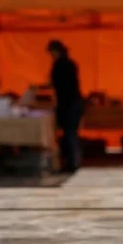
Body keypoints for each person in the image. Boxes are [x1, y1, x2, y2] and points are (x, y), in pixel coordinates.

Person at [46, 40, 83, 173]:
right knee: (71, 133)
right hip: (73, 102)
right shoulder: (71, 63)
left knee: (69, 134)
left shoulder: (59, 65)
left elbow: (54, 84)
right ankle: (73, 161)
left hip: (68, 103)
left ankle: (72, 163)